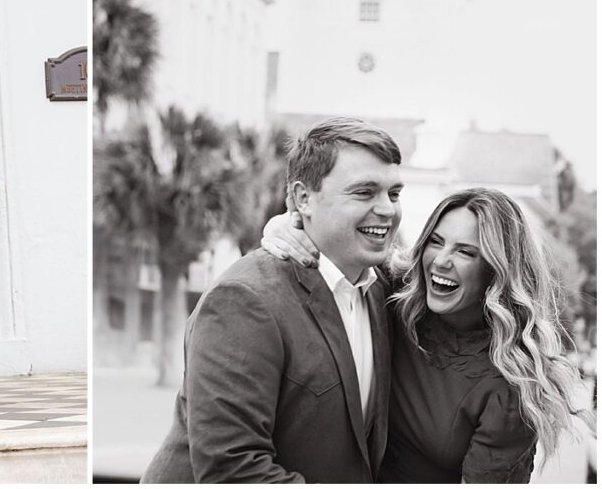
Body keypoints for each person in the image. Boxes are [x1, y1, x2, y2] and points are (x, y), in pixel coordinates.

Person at [264, 186, 594, 483]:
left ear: (497, 272)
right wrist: (285, 227)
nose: (441, 261)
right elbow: (325, 244)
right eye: (436, 242)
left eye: (466, 252)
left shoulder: (510, 389)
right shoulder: (393, 293)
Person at [141, 117, 403, 482]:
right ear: (303, 198)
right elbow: (232, 471)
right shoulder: (243, 300)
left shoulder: (383, 289)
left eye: (394, 194)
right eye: (364, 192)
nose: (388, 209)